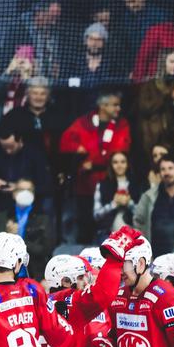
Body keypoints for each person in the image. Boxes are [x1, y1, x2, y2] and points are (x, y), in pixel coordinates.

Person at [60, 91, 133, 243]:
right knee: (84, 228)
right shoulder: (84, 122)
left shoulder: (122, 125)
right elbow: (66, 141)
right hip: (85, 186)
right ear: (102, 105)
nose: (118, 108)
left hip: (109, 185)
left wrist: (93, 162)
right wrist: (78, 148)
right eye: (115, 105)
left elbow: (119, 151)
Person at [0, 179, 51, 274]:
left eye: (29, 190)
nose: (25, 193)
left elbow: (45, 249)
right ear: (14, 193)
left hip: (34, 271)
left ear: (33, 194)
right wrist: (7, 235)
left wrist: (16, 238)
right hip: (5, 270)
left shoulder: (43, 219)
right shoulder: (1, 217)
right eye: (21, 190)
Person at [94, 151, 143, 239]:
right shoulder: (102, 185)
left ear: (127, 164)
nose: (119, 165)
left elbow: (143, 216)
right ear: (111, 165)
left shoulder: (137, 184)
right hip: (108, 233)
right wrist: (114, 204)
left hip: (134, 231)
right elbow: (96, 215)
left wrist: (129, 203)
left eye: (123, 162)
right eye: (115, 162)